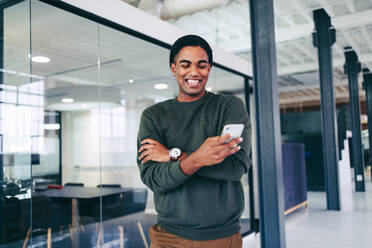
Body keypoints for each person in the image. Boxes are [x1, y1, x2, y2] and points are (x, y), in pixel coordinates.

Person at [137, 34, 251, 248]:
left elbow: (235, 167)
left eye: (202, 65)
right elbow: (154, 179)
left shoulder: (229, 107)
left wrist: (174, 155)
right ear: (173, 68)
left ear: (209, 68)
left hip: (221, 237)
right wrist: (200, 157)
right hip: (168, 237)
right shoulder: (153, 116)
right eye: (185, 65)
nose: (194, 72)